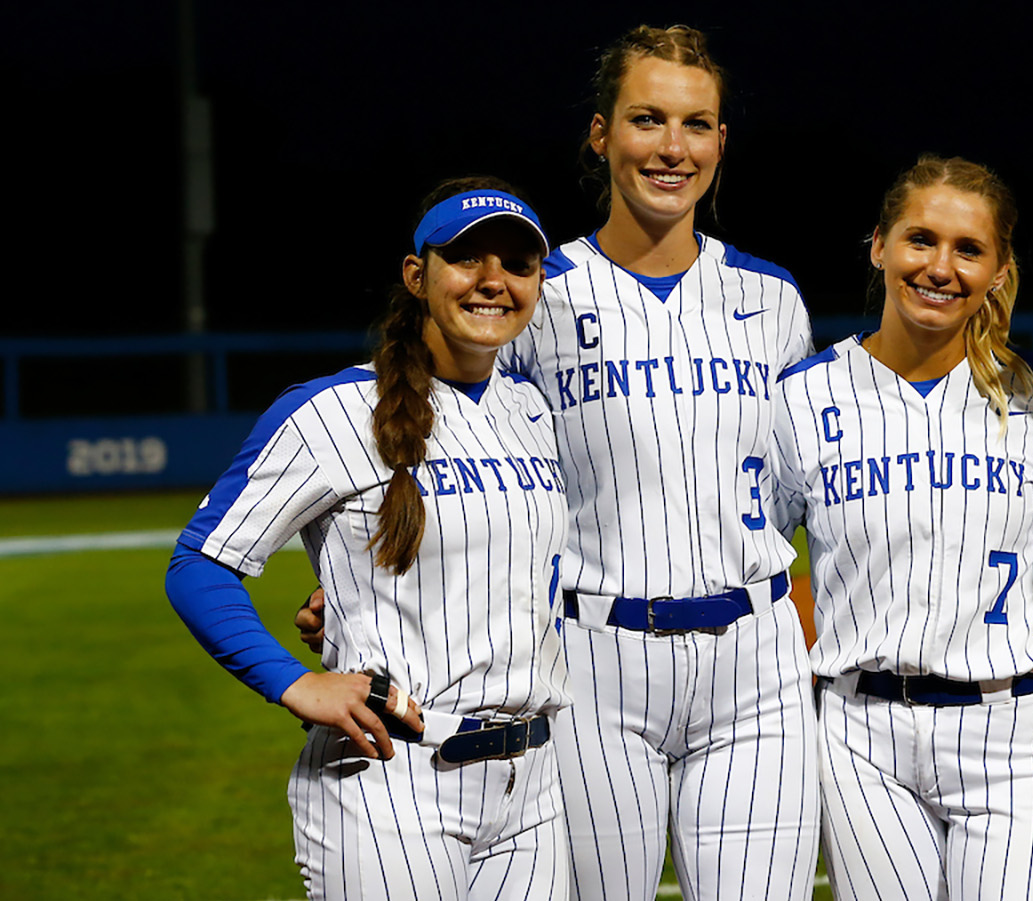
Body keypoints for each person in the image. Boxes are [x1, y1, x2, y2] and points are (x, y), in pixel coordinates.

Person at [168, 177, 573, 900]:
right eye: (465, 258)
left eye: (517, 263)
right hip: (392, 775)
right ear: (418, 275)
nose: (492, 281)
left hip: (532, 785)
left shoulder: (532, 410)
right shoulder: (333, 412)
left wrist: (353, 594)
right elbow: (200, 563)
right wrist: (294, 681)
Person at [501, 25, 819, 901]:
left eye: (696, 123)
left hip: (756, 657)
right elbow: (471, 461)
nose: (672, 148)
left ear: (721, 141)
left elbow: (802, 484)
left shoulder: (773, 299)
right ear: (601, 135)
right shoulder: (539, 295)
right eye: (647, 119)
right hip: (591, 658)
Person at [768, 155, 1033, 901]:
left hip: (1016, 733)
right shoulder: (803, 398)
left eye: (968, 249)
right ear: (879, 246)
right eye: (920, 240)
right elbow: (751, 564)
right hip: (860, 734)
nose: (940, 266)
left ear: (999, 270)